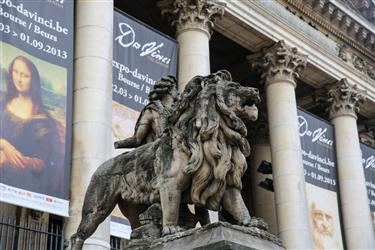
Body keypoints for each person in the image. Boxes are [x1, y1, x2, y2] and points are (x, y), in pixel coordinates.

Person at [0, 56, 64, 197]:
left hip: (23, 187)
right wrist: (3, 144)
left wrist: (13, 159)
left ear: (33, 80)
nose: (19, 79)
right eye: (15, 72)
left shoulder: (44, 122)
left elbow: (44, 164)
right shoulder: (2, 101)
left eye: (25, 75)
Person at [114, 75, 178, 149]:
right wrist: (118, 144)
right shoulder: (151, 111)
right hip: (154, 153)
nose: (178, 92)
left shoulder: (176, 113)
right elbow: (136, 139)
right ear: (169, 90)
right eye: (175, 89)